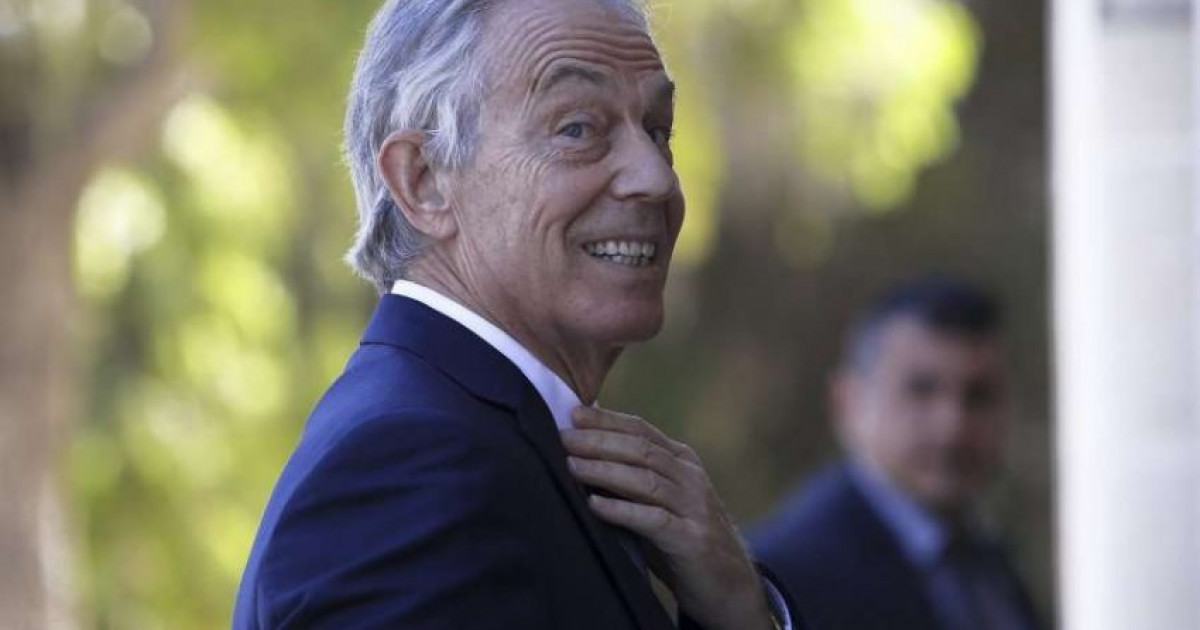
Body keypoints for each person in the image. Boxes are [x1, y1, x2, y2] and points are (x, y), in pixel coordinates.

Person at [232, 0, 799, 628]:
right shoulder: (408, 467)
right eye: (578, 129)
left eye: (658, 131)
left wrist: (739, 610)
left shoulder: (487, 441)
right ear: (423, 180)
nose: (655, 179)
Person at [750, 277, 1043, 630]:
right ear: (848, 403)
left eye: (978, 395)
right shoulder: (783, 581)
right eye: (921, 390)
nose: (952, 426)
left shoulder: (987, 565)